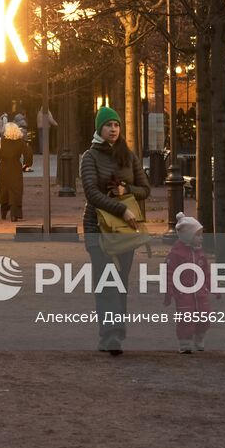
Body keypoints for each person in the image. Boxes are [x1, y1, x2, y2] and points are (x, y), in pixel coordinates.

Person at [80, 105, 150, 355]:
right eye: (109, 125)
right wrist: (121, 209)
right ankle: (110, 334)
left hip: (125, 229)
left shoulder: (128, 155)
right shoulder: (89, 157)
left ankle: (116, 332)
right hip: (96, 227)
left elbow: (145, 188)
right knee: (105, 279)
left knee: (120, 281)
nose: (113, 129)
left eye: (116, 125)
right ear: (100, 128)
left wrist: (127, 191)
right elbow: (92, 193)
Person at [164, 213, 214, 352]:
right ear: (188, 237)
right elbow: (168, 272)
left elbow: (205, 272)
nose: (201, 238)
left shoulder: (200, 253)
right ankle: (185, 341)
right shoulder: (176, 254)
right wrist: (168, 291)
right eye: (198, 235)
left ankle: (200, 335)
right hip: (183, 292)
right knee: (186, 318)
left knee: (205, 315)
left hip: (200, 291)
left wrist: (211, 286)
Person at [0, 121, 29, 221]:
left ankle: (4, 211)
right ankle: (15, 213)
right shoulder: (21, 142)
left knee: (4, 189)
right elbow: (28, 154)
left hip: (4, 167)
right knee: (16, 190)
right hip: (16, 167)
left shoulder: (0, 141)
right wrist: (26, 165)